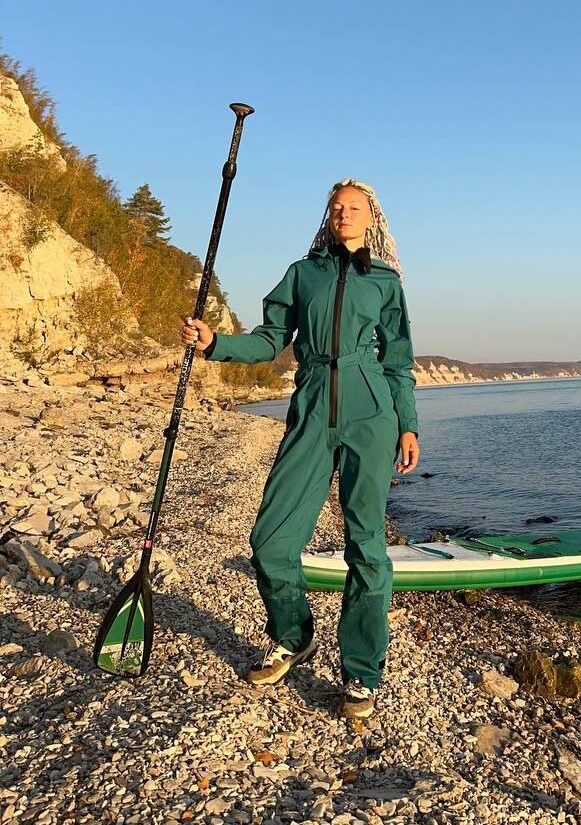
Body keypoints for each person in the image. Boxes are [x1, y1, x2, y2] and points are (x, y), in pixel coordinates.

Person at [181, 179, 420, 719]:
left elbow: (399, 360)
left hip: (371, 414)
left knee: (367, 547)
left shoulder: (385, 281)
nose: (344, 215)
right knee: (270, 540)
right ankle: (294, 636)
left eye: (354, 208)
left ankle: (361, 673)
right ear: (327, 217)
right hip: (311, 408)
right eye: (336, 208)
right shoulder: (302, 273)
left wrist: (408, 425)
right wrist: (215, 343)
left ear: (371, 217)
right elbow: (270, 338)